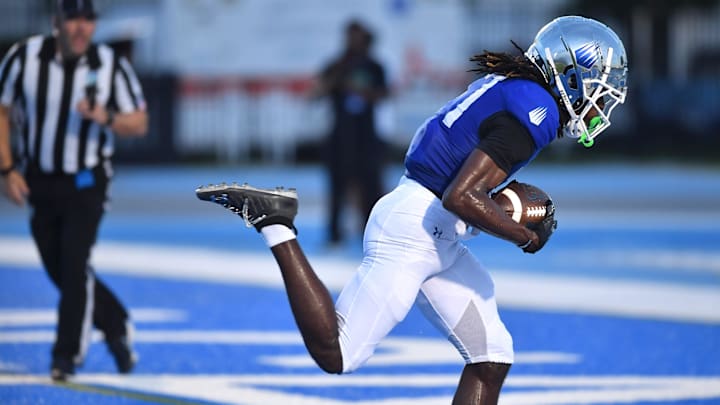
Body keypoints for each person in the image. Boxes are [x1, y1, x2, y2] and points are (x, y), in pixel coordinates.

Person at [196, 15, 627, 404]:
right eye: (599, 91)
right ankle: (275, 224)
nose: (599, 105)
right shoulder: (537, 110)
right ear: (572, 77)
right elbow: (461, 196)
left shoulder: (518, 90)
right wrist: (525, 236)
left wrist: (502, 204)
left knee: (492, 355)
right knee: (338, 353)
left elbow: (462, 186)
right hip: (415, 230)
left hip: (436, 231)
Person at [0, 0, 148, 381]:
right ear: (57, 23)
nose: (81, 28)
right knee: (61, 267)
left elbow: (140, 122)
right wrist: (6, 168)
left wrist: (107, 117)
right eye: (73, 20)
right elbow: (1, 110)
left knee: (74, 260)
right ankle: (115, 324)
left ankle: (65, 356)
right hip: (41, 180)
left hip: (87, 180)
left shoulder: (110, 66)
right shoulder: (23, 58)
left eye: (88, 20)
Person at [314, 19, 389, 245]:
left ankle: (370, 231)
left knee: (371, 187)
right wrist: (337, 80)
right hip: (340, 137)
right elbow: (317, 92)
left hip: (366, 136)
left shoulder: (374, 66)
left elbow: (383, 94)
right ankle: (334, 234)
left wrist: (360, 90)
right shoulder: (336, 65)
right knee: (337, 188)